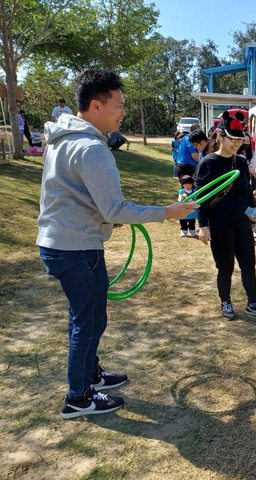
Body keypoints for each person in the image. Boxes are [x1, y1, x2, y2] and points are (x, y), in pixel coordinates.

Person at [37, 69, 197, 419]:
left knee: (84, 316)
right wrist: (167, 212)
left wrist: (109, 217)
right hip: (76, 248)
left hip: (59, 242)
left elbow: (76, 195)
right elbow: (113, 208)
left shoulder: (63, 138)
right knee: (90, 321)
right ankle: (78, 397)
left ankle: (89, 374)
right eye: (119, 105)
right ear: (96, 105)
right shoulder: (91, 148)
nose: (123, 111)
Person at [194, 110, 256, 321]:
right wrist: (203, 225)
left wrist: (252, 211)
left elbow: (246, 192)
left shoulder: (240, 162)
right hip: (220, 224)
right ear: (220, 136)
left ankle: (253, 303)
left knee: (248, 264)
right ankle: (226, 301)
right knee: (225, 267)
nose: (237, 143)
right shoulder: (208, 163)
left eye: (240, 140)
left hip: (241, 222)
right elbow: (200, 198)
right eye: (233, 139)